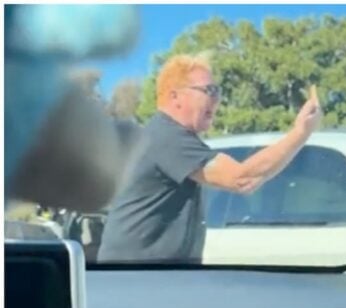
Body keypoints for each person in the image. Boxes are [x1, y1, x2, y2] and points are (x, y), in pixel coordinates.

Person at [98, 52, 322, 263]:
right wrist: (300, 133)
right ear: (175, 96)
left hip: (152, 277)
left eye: (218, 91)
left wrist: (299, 137)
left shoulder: (171, 138)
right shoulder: (167, 136)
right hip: (137, 279)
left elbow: (249, 181)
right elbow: (240, 177)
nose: (217, 100)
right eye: (209, 90)